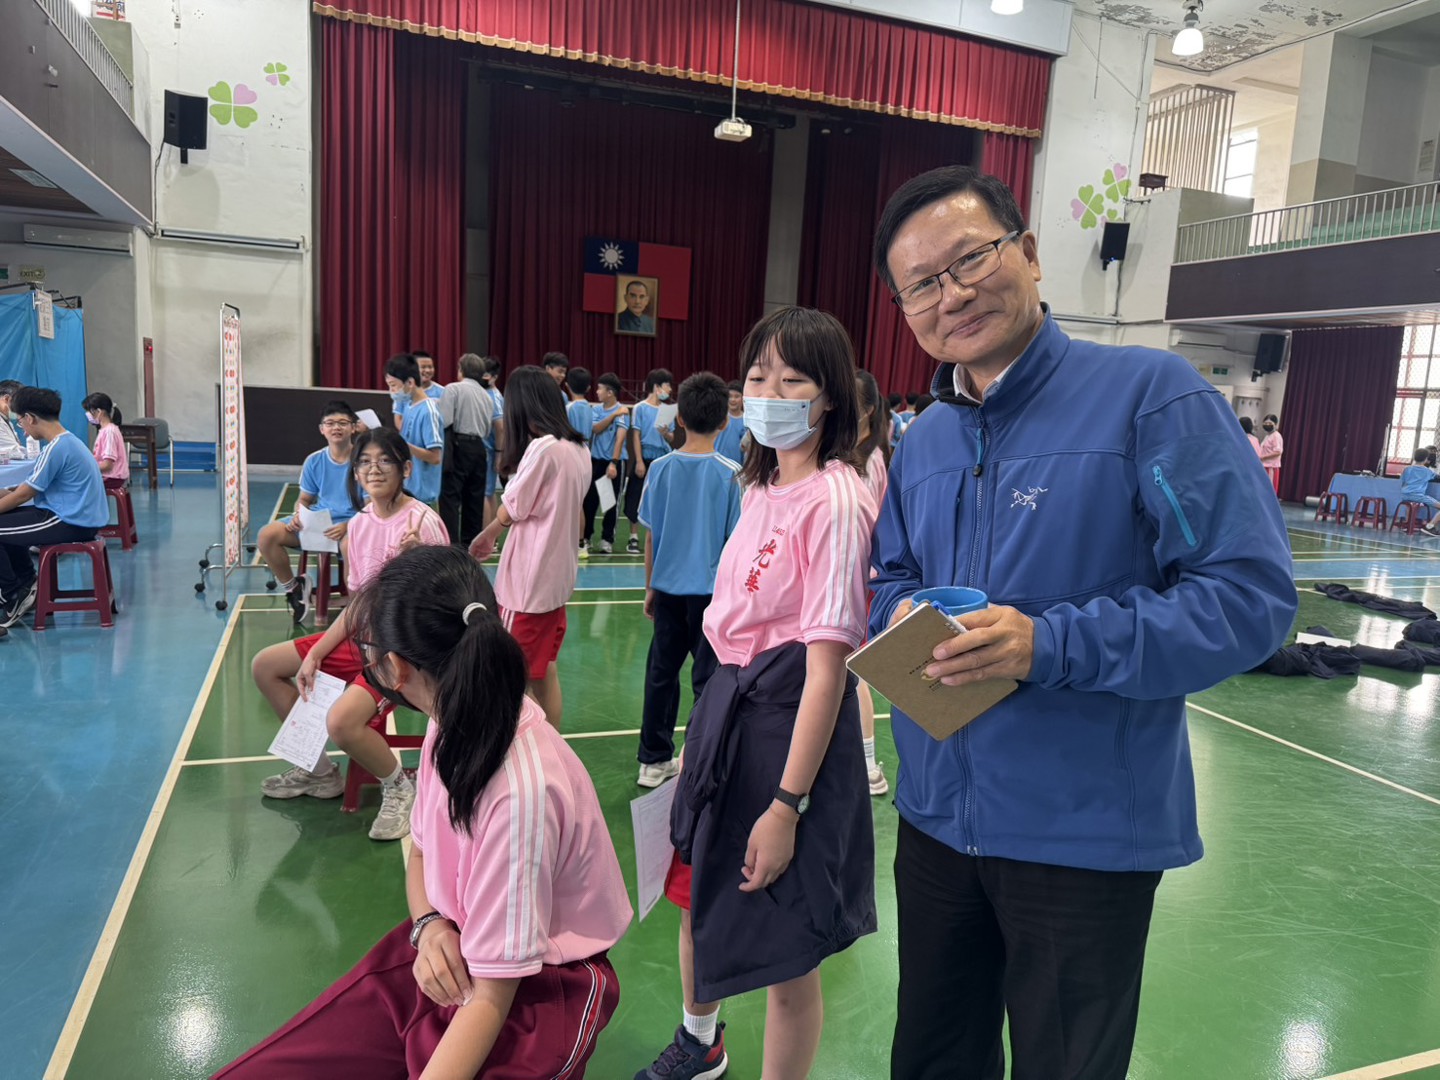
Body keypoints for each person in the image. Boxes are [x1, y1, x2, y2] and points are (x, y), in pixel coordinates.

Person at [870, 165, 1297, 1079]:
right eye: (923, 285)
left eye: (970, 259)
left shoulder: (1151, 395)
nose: (953, 295)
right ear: (905, 311)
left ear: (1027, 253)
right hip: (937, 819)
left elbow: (1248, 598)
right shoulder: (926, 438)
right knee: (932, 1059)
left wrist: (1049, 644)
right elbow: (888, 577)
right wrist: (899, 611)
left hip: (1083, 836)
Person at [217, 546, 632, 1079]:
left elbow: (492, 996)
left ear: (394, 668)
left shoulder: (519, 795)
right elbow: (420, 851)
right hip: (450, 944)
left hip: (539, 991)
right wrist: (429, 924)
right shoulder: (452, 716)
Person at [647, 307, 876, 1080]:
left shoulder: (836, 500)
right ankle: (699, 1042)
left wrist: (786, 806)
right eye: (758, 377)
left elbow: (827, 672)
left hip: (786, 731)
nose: (770, 393)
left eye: (794, 379)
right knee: (695, 896)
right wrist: (697, 739)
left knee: (786, 952)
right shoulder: (759, 485)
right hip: (727, 712)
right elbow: (730, 632)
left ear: (830, 396)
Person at [251, 428, 449, 841]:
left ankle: (399, 785)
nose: (374, 469)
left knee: (341, 722)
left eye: (385, 461)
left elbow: (442, 607)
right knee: (266, 666)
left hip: (404, 650)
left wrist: (419, 562)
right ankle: (319, 773)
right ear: (355, 473)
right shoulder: (357, 526)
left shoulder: (424, 523)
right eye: (364, 462)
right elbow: (358, 604)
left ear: (405, 469)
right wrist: (316, 653)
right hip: (363, 639)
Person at [467, 366, 590, 728]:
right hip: (556, 581)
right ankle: (552, 743)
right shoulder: (578, 447)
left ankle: (528, 745)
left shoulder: (544, 447)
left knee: (509, 675)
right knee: (544, 670)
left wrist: (487, 534)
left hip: (528, 584)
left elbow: (512, 508)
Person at [634, 372, 741, 789]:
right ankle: (699, 759)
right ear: (725, 422)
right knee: (708, 681)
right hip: (712, 597)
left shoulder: (659, 469)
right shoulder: (732, 475)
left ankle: (653, 759)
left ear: (679, 418)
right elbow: (734, 545)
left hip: (667, 592)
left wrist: (650, 586)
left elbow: (650, 537)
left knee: (661, 675)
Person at [0, 387, 108, 628]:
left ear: (30, 418)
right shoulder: (66, 442)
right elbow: (26, 487)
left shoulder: (57, 448)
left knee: (6, 517)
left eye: (20, 422)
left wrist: (11, 495)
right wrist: (8, 492)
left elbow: (23, 495)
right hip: (75, 516)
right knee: (8, 519)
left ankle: (12, 594)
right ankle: (26, 583)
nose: (22, 429)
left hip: (69, 521)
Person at [255, 401, 361, 624]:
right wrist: (299, 515)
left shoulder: (363, 461)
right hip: (319, 521)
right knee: (267, 535)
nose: (336, 427)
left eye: (343, 422)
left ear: (353, 427)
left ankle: (357, 607)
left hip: (353, 523)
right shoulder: (314, 460)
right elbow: (304, 499)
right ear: (322, 429)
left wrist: (348, 525)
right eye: (330, 423)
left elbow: (372, 507)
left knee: (349, 545)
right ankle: (294, 590)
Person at [852, 369, 892, 797]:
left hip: (860, 577)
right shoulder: (861, 453)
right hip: (856, 574)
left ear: (866, 409)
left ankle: (867, 763)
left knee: (853, 668)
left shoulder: (869, 460)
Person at [438, 353, 495, 550]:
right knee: (474, 500)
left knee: (450, 498)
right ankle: (470, 547)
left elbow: (445, 420)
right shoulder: (487, 396)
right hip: (479, 447)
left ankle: (452, 547)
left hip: (457, 445)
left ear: (460, 370)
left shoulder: (453, 389)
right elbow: (487, 429)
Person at [627, 368, 677, 554]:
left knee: (662, 498)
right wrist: (639, 461)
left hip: (662, 459)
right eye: (667, 385)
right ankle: (633, 537)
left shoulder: (668, 410)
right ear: (657, 387)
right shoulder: (640, 408)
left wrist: (666, 433)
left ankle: (658, 536)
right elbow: (636, 435)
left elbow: (671, 438)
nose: (670, 389)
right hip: (645, 457)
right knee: (635, 496)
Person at [386, 353, 445, 507]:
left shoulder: (429, 411)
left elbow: (435, 457)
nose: (392, 390)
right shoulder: (409, 405)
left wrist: (404, 445)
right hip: (408, 486)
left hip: (422, 494)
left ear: (410, 382)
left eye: (393, 385)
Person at [582, 373, 629, 555]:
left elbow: (620, 439)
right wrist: (612, 415)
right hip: (595, 462)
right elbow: (596, 429)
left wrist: (613, 463)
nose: (597, 391)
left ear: (610, 392)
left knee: (610, 503)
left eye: (600, 388)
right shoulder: (596, 410)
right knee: (590, 502)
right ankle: (586, 537)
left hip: (613, 462)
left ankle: (607, 539)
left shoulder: (623, 411)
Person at [479, 356, 507, 528]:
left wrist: (498, 454)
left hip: (489, 451)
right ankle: (491, 538)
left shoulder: (494, 396)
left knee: (485, 494)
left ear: (494, 377)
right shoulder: (485, 393)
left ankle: (485, 536)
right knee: (488, 493)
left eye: (485, 374)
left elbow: (501, 427)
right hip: (486, 451)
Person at [82, 392, 130, 484]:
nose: (88, 414)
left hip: (111, 478)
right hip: (107, 477)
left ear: (99, 412)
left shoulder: (109, 432)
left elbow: (107, 465)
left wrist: (87, 468)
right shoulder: (105, 430)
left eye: (90, 411)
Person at [1399, 447, 1440, 535]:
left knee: (1410, 504)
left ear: (1414, 457)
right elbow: (1437, 477)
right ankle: (1430, 526)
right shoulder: (1427, 471)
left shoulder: (1407, 469)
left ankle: (1407, 524)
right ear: (1426, 459)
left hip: (1404, 495)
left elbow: (1403, 481)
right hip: (1418, 496)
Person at [713, 379, 747, 464]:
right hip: (716, 463)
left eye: (737, 396)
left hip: (736, 466)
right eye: (730, 396)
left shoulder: (747, 421)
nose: (733, 400)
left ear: (743, 398)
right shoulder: (718, 417)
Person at [1259, 413, 1284, 494]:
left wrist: (1263, 457)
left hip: (1271, 466)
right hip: (1264, 465)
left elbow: (1278, 452)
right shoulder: (1267, 436)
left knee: (1269, 490)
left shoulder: (1276, 436)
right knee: (1263, 489)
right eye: (1265, 423)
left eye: (1269, 423)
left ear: (1275, 424)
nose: (1267, 425)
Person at [0, 380, 23, 460]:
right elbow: (13, 451)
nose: (20, 409)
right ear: (6, 399)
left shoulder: (6, 420)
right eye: (19, 404)